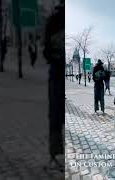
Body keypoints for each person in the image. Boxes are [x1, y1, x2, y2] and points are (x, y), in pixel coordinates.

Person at [43, 4, 64, 170]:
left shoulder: (53, 20)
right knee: (57, 115)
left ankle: (56, 154)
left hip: (57, 73)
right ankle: (56, 154)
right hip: (57, 73)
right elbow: (47, 50)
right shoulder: (54, 21)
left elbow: (46, 51)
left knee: (56, 115)